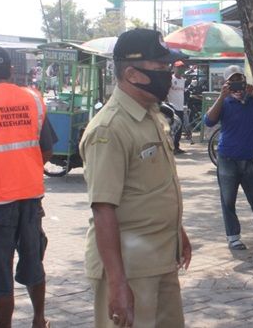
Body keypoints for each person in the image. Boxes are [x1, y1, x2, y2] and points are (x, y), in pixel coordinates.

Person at [80, 28, 192, 328]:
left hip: (161, 258)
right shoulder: (109, 129)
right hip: (129, 268)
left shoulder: (151, 113)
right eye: (161, 67)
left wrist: (177, 230)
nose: (168, 74)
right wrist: (117, 283)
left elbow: (155, 184)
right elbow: (103, 208)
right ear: (132, 73)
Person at [0, 46, 56, 328]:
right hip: (31, 197)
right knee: (34, 261)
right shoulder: (33, 99)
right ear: (10, 71)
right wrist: (29, 171)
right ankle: (40, 320)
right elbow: (47, 149)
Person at [204, 65, 253, 250]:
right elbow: (208, 120)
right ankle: (233, 237)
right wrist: (221, 96)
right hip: (227, 159)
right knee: (228, 200)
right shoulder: (224, 102)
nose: (237, 84)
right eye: (233, 81)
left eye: (240, 79)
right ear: (226, 83)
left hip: (249, 160)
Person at [167, 60, 187, 154]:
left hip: (180, 107)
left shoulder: (183, 80)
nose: (180, 69)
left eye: (182, 68)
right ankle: (170, 147)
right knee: (172, 128)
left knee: (179, 128)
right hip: (172, 107)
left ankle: (176, 146)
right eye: (178, 67)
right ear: (174, 68)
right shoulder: (170, 79)